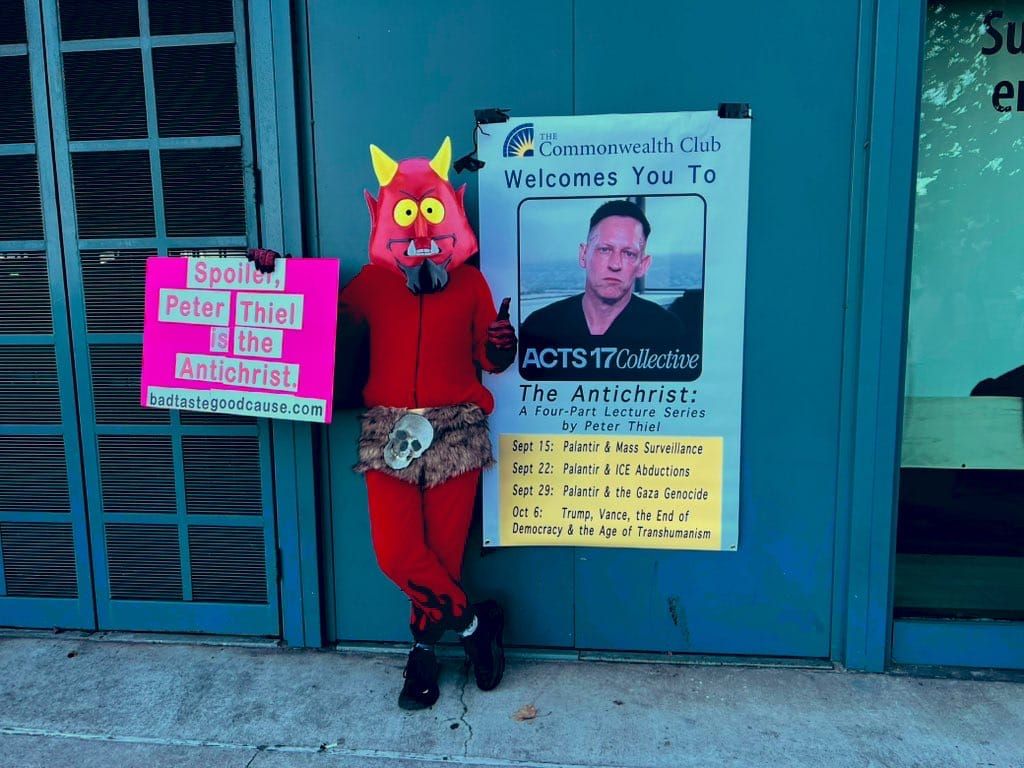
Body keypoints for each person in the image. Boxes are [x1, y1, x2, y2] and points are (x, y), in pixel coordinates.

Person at [248, 137, 515, 712]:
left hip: (456, 430)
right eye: (408, 213)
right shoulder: (369, 287)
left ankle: (421, 655)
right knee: (397, 554)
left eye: (432, 213)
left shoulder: (471, 285)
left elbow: (489, 360)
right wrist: (274, 276)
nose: (421, 232)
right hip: (389, 432)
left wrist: (501, 343)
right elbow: (311, 320)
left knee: (441, 557)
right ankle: (475, 629)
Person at [518, 200, 700, 381]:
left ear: (642, 265)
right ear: (583, 255)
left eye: (629, 253)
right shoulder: (539, 326)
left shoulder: (667, 332)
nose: (615, 264)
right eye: (605, 250)